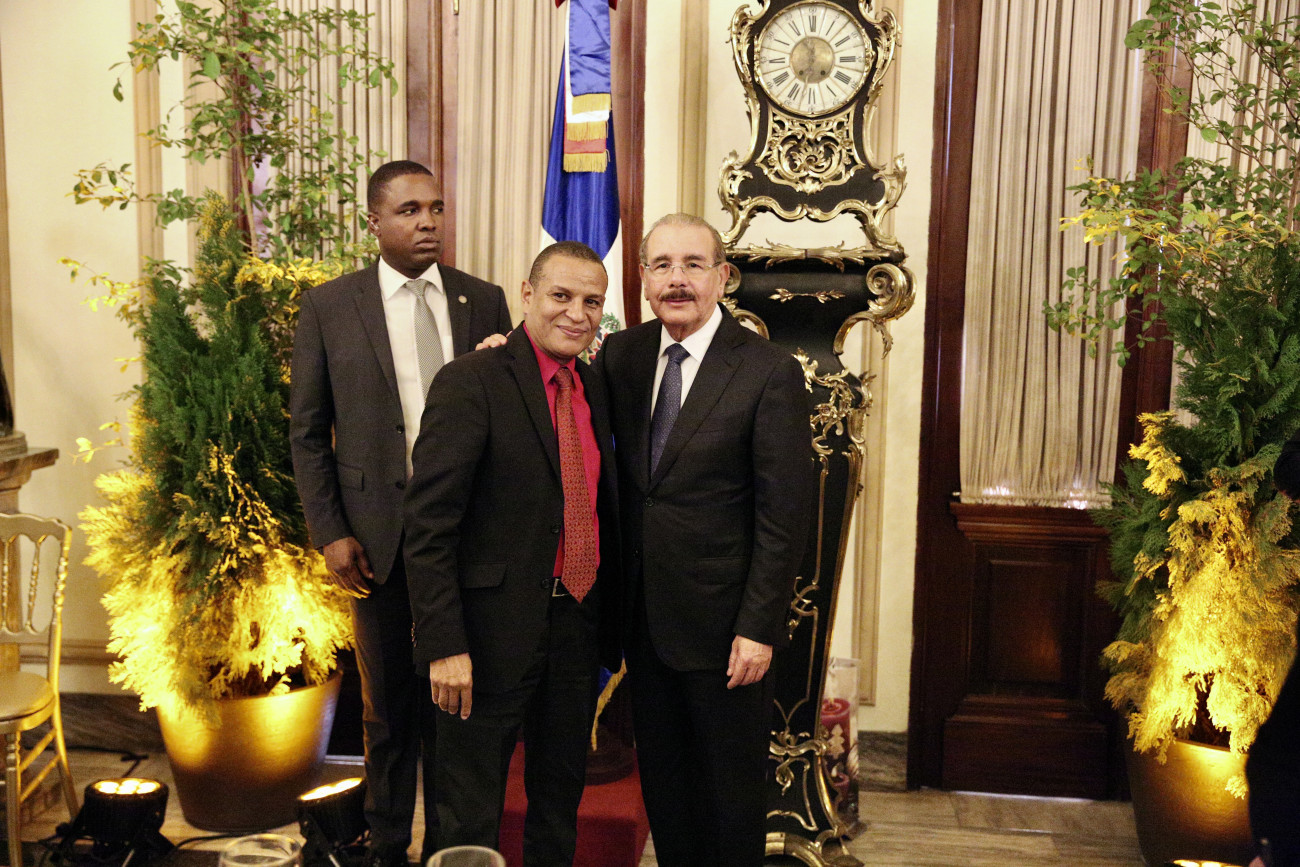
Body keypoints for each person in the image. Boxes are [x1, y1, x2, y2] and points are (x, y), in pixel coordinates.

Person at [289, 160, 512, 867]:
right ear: (374, 222)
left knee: (458, 708)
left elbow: (511, 421)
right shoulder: (329, 307)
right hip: (375, 541)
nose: (428, 222)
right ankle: (386, 846)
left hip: (469, 540)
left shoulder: (484, 301)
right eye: (410, 210)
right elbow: (308, 432)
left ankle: (452, 848)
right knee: (386, 713)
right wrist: (330, 531)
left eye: (436, 208)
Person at [594, 213, 814, 866]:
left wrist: (758, 627)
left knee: (728, 799)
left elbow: (784, 515)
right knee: (667, 794)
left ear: (723, 277)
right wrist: (503, 353)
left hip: (726, 635)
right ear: (643, 278)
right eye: (662, 265)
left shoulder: (768, 371)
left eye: (693, 264)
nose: (677, 279)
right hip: (644, 624)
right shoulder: (621, 355)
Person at [403, 241, 620, 865]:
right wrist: (443, 644)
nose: (576, 314)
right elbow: (428, 525)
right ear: (526, 295)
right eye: (561, 296)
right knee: (466, 814)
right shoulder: (472, 380)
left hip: (575, 625)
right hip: (484, 637)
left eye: (592, 302)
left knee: (558, 806)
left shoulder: (594, 386)